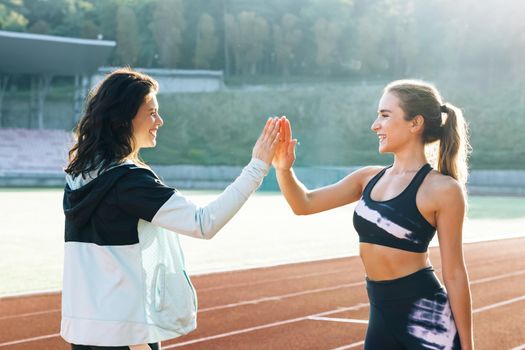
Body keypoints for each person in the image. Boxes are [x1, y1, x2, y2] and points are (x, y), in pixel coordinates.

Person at [61, 68, 280, 350]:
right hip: (126, 333)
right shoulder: (128, 181)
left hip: (83, 333)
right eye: (151, 112)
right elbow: (203, 223)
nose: (159, 121)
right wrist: (257, 167)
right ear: (122, 120)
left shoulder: (78, 175)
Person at [272, 80, 473, 350]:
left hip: (428, 321)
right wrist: (284, 169)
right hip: (380, 314)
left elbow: (455, 273)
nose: (375, 125)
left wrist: (468, 345)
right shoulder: (367, 178)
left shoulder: (443, 189)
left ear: (415, 123)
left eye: (385, 115)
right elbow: (304, 204)